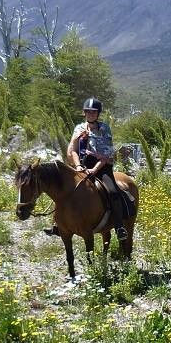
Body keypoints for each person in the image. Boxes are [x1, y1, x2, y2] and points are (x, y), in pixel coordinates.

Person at [67, 97, 128, 241]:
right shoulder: (78, 128)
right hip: (81, 165)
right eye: (88, 112)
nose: (91, 114)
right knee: (64, 187)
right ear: (84, 113)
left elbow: (107, 154)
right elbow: (73, 150)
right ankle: (58, 223)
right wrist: (78, 166)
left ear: (98, 114)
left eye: (94, 112)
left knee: (113, 191)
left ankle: (119, 226)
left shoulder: (104, 128)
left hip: (102, 167)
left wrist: (94, 170)